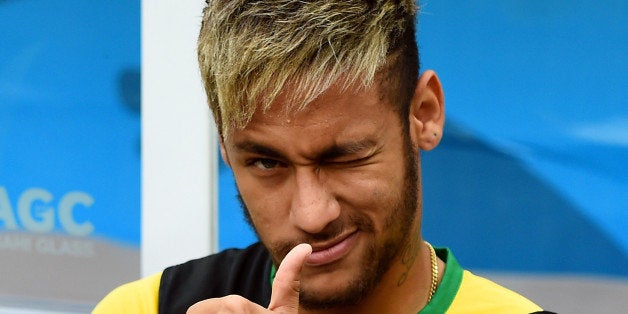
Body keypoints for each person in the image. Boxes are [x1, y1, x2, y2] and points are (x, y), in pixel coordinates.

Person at [94, 0, 553, 313]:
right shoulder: (146, 307)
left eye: (345, 159)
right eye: (267, 163)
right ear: (224, 149)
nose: (312, 216)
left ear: (425, 115)